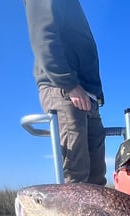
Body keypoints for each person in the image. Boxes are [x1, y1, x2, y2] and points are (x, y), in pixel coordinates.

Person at [24, 0, 107, 185]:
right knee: (76, 178)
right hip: (66, 90)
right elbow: (44, 38)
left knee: (97, 180)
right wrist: (69, 83)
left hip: (88, 96)